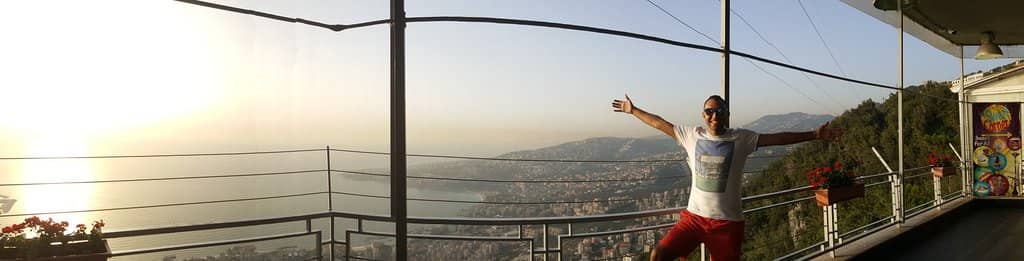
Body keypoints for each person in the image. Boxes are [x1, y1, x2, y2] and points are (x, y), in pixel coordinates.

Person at [611, 94, 842, 261]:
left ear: (727, 115)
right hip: (693, 219)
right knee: (658, 255)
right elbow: (660, 123)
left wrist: (814, 134)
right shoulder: (691, 135)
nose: (714, 115)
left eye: (719, 111)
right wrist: (633, 110)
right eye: (710, 111)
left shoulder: (742, 138)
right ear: (703, 115)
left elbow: (778, 138)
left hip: (727, 223)